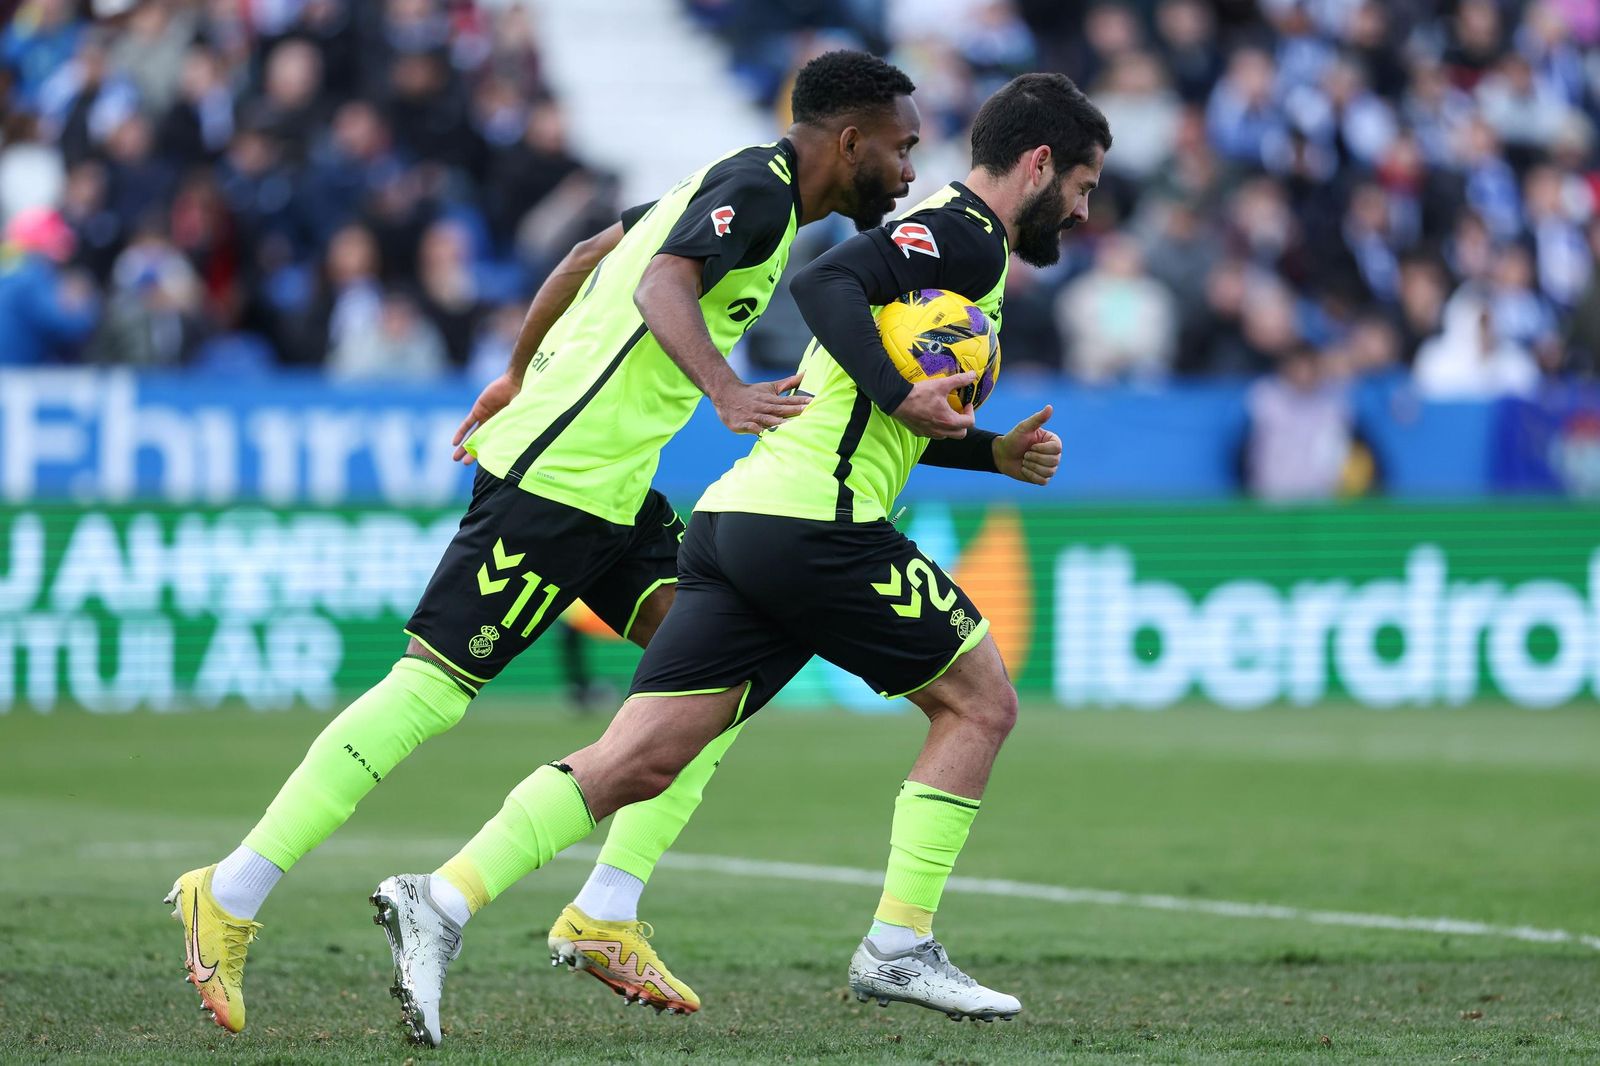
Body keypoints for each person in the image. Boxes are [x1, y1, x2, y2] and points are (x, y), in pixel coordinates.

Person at [164, 50, 972, 1035]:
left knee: (722, 676)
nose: (906, 171)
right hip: (558, 482)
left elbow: (590, 253)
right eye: (900, 149)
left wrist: (514, 369)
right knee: (428, 691)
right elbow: (657, 285)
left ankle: (609, 909)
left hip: (615, 490)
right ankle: (231, 893)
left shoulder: (728, 186)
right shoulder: (755, 194)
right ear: (849, 141)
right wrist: (720, 388)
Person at [369, 72, 1107, 1047]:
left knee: (640, 755)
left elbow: (860, 385)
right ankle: (899, 942)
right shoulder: (966, 231)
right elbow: (823, 283)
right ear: (1040, 162)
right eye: (1085, 186)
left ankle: (443, 897)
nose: (1086, 211)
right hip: (815, 524)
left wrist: (986, 448)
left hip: (742, 520)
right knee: (980, 700)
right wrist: (901, 389)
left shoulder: (953, 241)